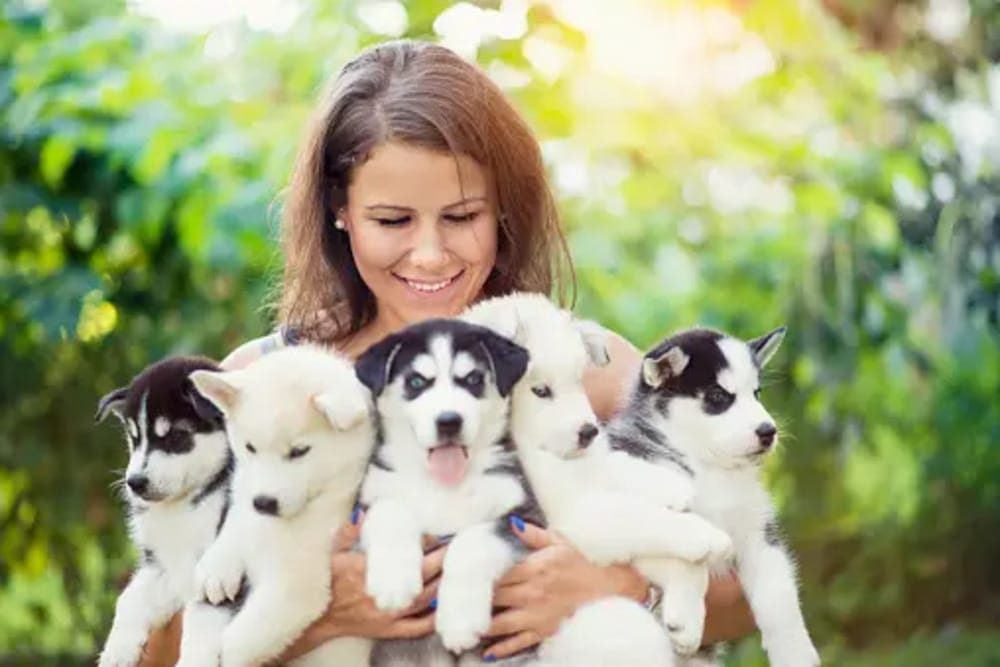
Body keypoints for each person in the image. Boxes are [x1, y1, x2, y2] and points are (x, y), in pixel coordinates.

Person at [138, 39, 754, 665]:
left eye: (461, 217)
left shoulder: (582, 374)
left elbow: (746, 579)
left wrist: (621, 587)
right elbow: (155, 647)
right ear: (339, 210)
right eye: (393, 221)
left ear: (503, 208)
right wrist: (316, 615)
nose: (431, 255)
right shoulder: (258, 388)